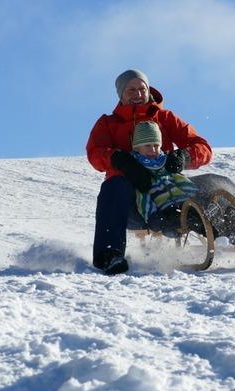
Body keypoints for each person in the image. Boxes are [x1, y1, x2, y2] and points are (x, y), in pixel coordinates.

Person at [86, 69, 212, 275]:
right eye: (131, 90)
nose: (137, 93)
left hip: (168, 192)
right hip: (131, 203)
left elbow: (202, 146)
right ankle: (110, 254)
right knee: (114, 187)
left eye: (141, 88)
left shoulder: (164, 117)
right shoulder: (108, 123)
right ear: (121, 94)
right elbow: (95, 152)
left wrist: (184, 156)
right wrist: (119, 160)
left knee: (214, 182)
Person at [129, 121, 235, 264]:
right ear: (137, 148)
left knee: (220, 200)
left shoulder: (165, 149)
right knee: (197, 218)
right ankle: (227, 239)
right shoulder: (137, 169)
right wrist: (157, 221)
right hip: (167, 210)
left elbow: (200, 148)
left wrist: (183, 156)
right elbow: (144, 201)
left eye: (156, 145)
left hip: (185, 196)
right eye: (148, 146)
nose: (153, 149)